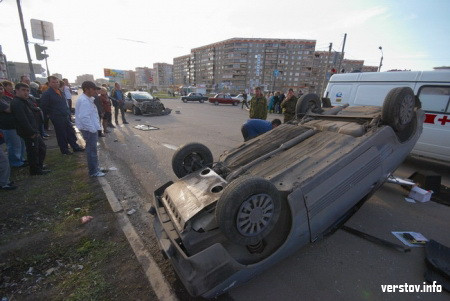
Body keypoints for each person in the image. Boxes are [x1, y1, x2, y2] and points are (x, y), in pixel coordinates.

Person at [10, 83, 49, 175]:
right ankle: (35, 170)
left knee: (41, 148)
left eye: (27, 90)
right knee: (33, 151)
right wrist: (31, 132)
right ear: (17, 91)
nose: (26, 92)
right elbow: (22, 120)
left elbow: (32, 109)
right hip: (29, 132)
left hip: (34, 129)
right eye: (23, 90)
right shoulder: (17, 103)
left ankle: (38, 166)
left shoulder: (24, 101)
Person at [40, 76, 84, 155]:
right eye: (53, 82)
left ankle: (75, 147)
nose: (56, 84)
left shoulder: (60, 91)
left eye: (57, 82)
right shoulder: (47, 94)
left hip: (65, 115)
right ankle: (64, 150)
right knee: (61, 134)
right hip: (57, 117)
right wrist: (50, 115)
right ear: (49, 83)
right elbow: (43, 106)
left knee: (70, 132)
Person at [75, 81, 105, 177]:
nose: (95, 91)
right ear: (86, 89)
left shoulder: (87, 99)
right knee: (91, 151)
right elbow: (84, 117)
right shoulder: (84, 101)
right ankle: (93, 171)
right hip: (89, 130)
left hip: (90, 129)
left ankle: (95, 168)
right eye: (93, 89)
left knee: (93, 150)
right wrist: (92, 129)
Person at [1, 81, 27, 167]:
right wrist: (17, 105)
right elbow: (9, 109)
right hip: (8, 126)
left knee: (20, 143)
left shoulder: (5, 98)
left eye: (1, 89)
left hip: (15, 124)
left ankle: (21, 159)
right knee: (14, 145)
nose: (0, 91)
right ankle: (15, 162)